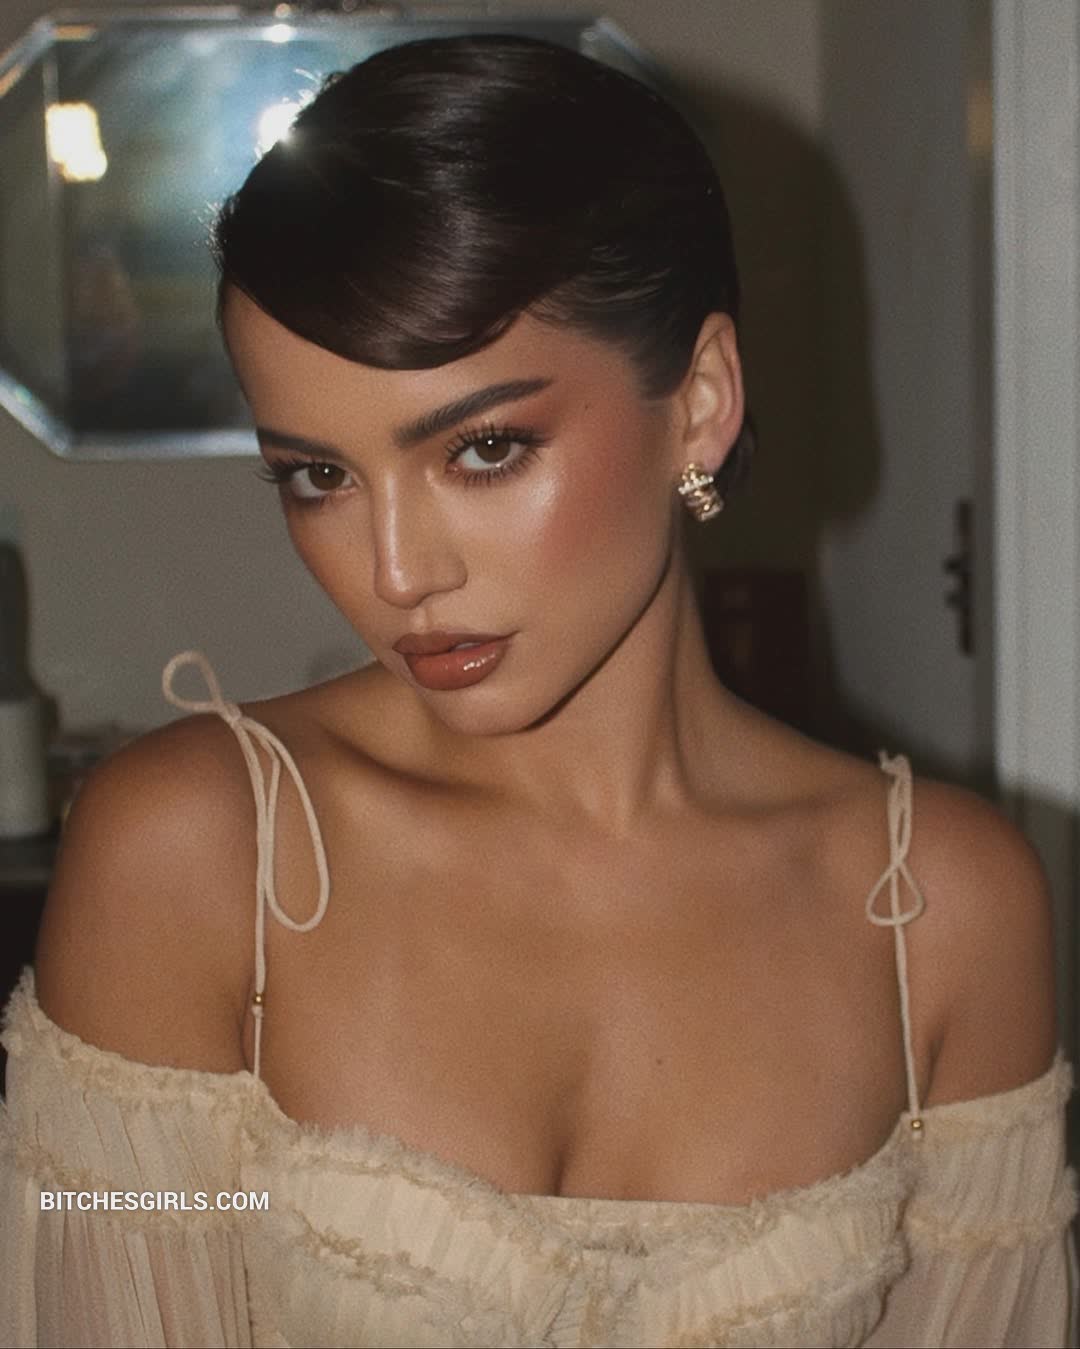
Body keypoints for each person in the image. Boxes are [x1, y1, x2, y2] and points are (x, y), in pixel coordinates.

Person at [2, 33, 1076, 1348]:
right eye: (318, 476)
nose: (397, 571)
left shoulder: (939, 914)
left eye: (484, 448)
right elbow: (128, 1229)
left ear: (701, 403)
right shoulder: (199, 856)